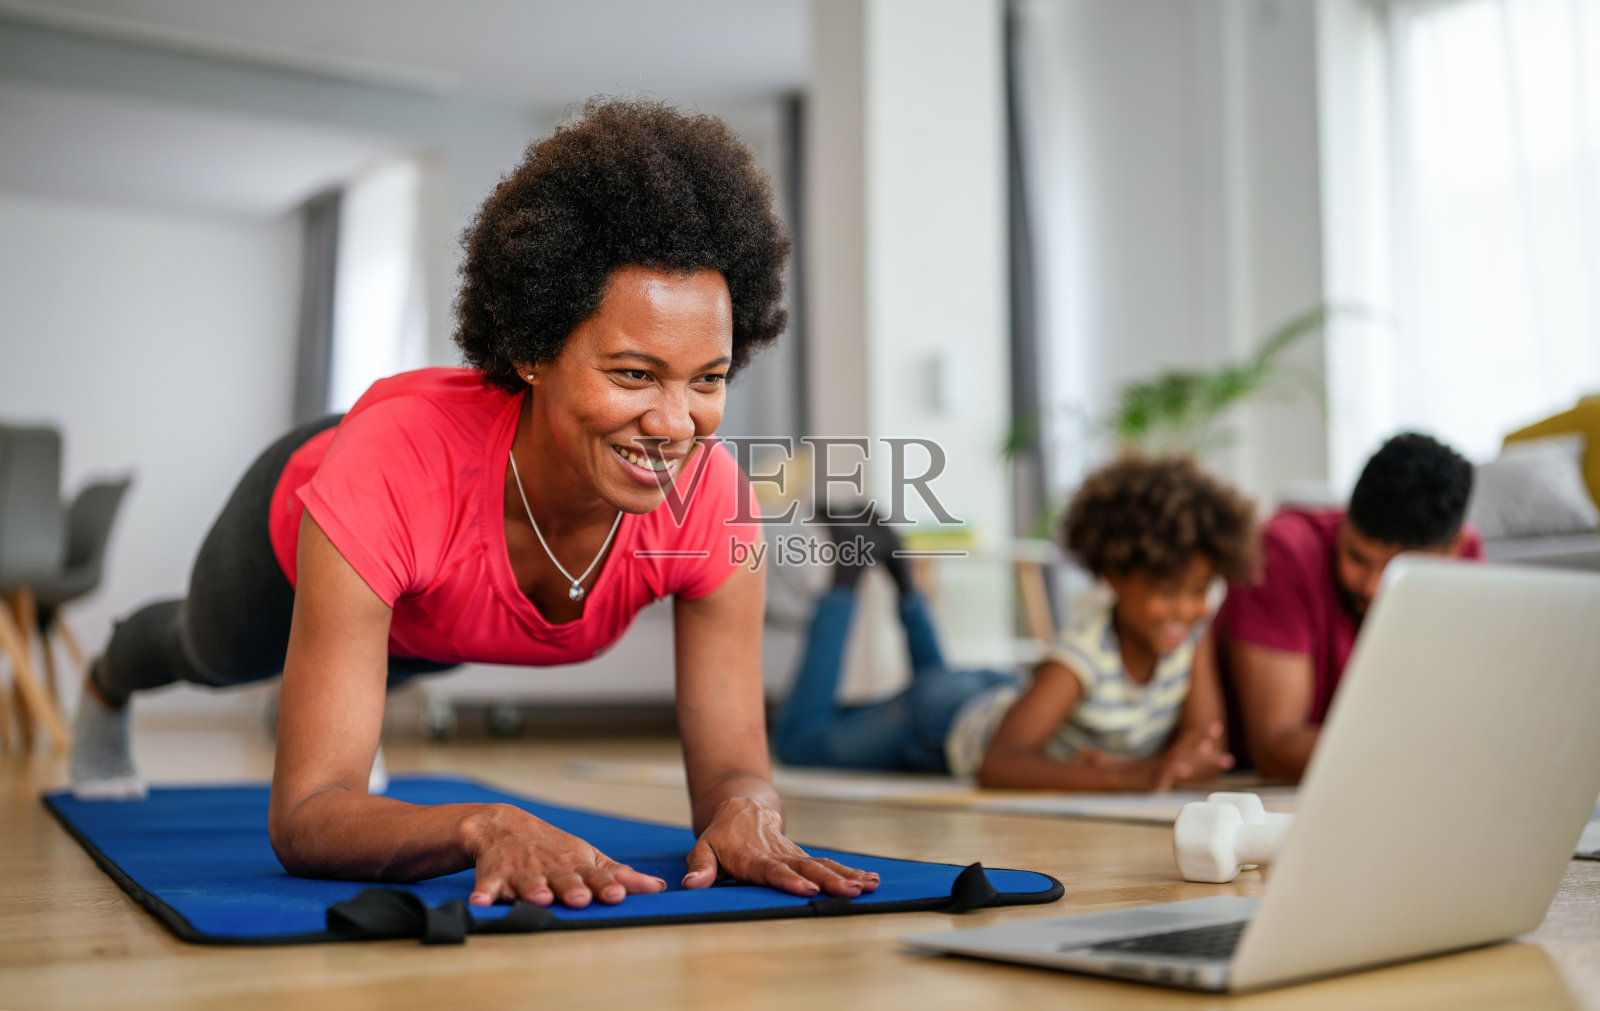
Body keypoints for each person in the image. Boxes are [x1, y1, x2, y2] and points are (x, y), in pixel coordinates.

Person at [68, 98, 878, 909]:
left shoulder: (711, 501)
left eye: (706, 379)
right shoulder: (395, 466)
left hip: (436, 604)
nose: (675, 424)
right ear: (531, 349)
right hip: (307, 516)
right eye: (633, 373)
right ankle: (110, 675)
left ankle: (341, 687)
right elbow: (307, 818)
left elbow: (737, 766)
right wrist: (479, 824)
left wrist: (748, 810)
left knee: (394, 663)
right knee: (209, 654)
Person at [772, 454, 1260, 792]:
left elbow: (1202, 749)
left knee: (934, 683)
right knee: (799, 743)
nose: (1186, 610)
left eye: (1200, 591)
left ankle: (902, 575)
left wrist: (1173, 764)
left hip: (992, 693)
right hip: (941, 721)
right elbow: (999, 763)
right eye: (1167, 590)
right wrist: (1128, 775)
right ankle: (847, 576)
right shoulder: (1082, 657)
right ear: (1115, 574)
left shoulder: (1190, 640)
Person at [1216, 432, 1481, 781]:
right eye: (1357, 556)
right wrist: (1434, 751)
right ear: (1345, 520)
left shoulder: (1466, 563)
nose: (1372, 587)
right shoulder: (1283, 552)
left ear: (1455, 548)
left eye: (1398, 571)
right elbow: (1276, 748)